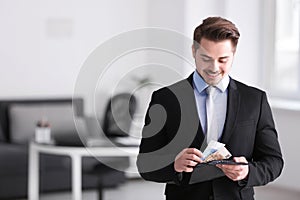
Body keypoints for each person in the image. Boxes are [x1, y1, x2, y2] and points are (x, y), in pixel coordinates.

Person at [136, 16, 284, 200]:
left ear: (234, 54)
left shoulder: (255, 100)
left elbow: (274, 162)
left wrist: (247, 172)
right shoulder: (165, 99)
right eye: (206, 58)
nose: (214, 68)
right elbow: (145, 164)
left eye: (223, 60)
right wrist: (174, 164)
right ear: (193, 51)